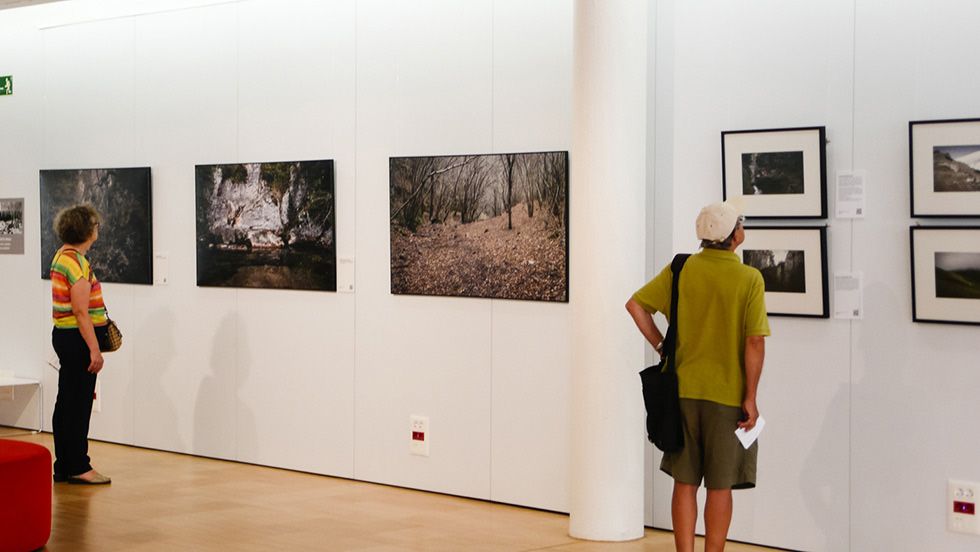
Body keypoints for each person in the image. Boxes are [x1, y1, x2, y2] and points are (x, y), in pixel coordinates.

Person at [625, 200, 768, 552]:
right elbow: (754, 341)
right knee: (720, 486)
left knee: (684, 482)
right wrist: (750, 397)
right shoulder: (749, 278)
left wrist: (662, 347)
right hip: (726, 396)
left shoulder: (682, 269)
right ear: (734, 235)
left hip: (683, 391)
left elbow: (636, 305)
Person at [50, 204, 111, 485]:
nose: (97, 229)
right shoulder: (77, 263)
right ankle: (78, 465)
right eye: (95, 225)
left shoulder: (62, 256)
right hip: (77, 339)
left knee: (67, 401)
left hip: (65, 336)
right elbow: (81, 311)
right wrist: (94, 349)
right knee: (78, 403)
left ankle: (65, 464)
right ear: (87, 230)